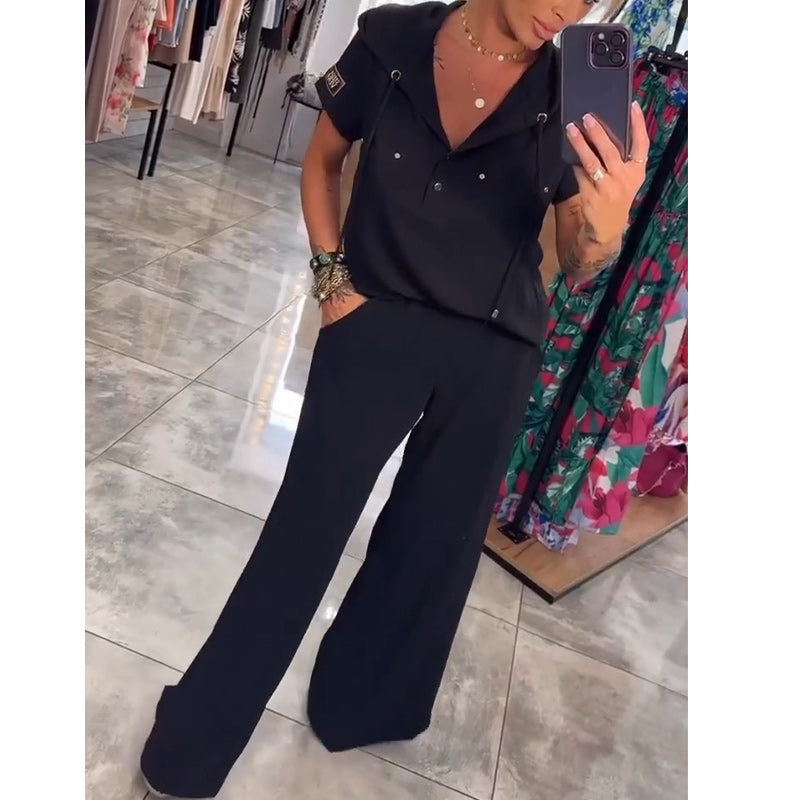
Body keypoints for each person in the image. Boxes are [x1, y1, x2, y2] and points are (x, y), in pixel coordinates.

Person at [140, 0, 650, 796]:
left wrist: (608, 224)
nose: (568, 8)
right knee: (300, 539)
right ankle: (190, 752)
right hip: (373, 323)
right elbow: (322, 162)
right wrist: (332, 283)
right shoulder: (392, 38)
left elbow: (579, 261)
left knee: (431, 552)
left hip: (494, 350)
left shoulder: (568, 93)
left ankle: (365, 704)